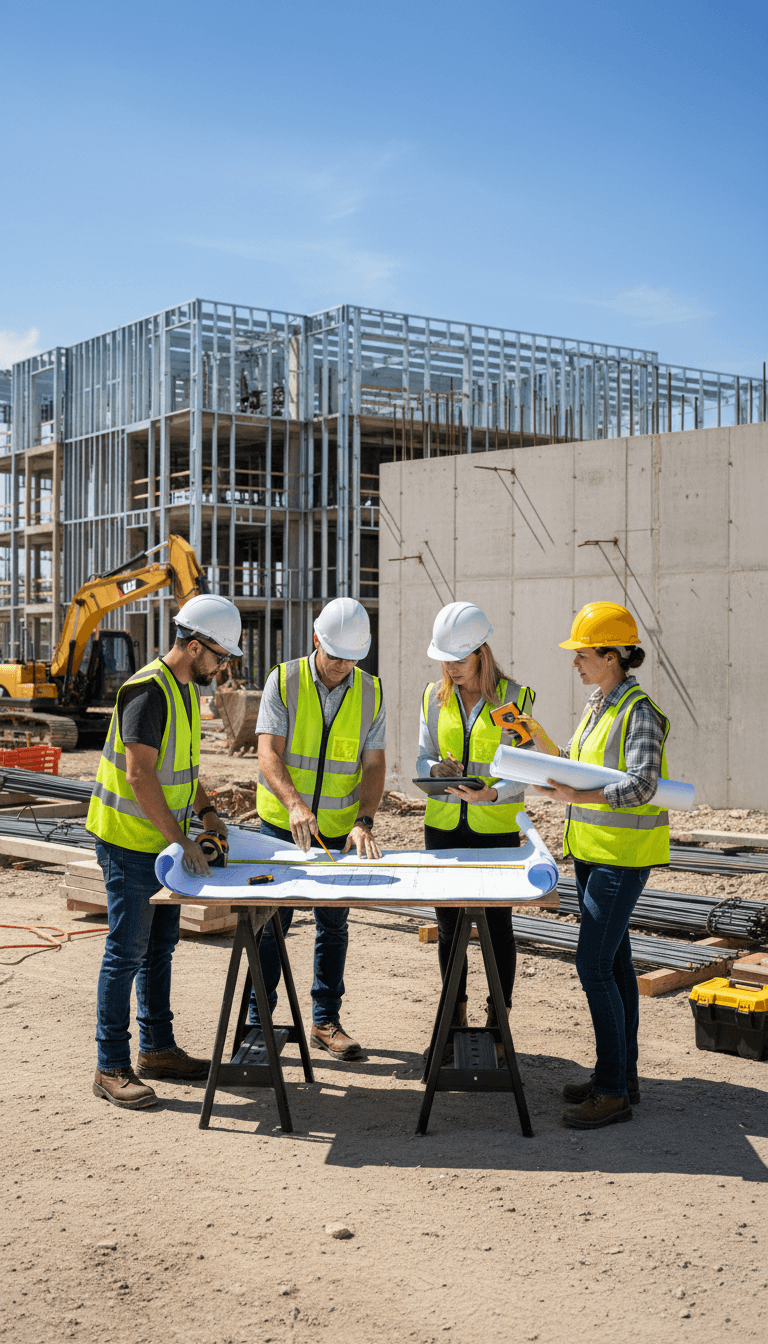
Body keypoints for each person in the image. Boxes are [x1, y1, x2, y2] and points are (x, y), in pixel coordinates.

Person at [518, 601, 670, 1130]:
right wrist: (537, 742)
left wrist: (580, 796)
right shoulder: (598, 703)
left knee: (593, 966)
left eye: (582, 653)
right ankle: (621, 1075)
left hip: (621, 858)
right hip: (593, 852)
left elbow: (642, 784)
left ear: (610, 656)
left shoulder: (637, 711)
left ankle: (611, 1092)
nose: (575, 662)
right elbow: (579, 769)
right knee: (617, 963)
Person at [86, 594, 242, 1110]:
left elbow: (185, 767)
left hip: (160, 846)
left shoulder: (181, 690)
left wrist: (208, 810)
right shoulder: (148, 691)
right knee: (126, 952)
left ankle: (157, 1050)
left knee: (159, 949)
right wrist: (180, 841)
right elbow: (139, 774)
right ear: (194, 647)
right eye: (219, 657)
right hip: (132, 843)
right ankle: (110, 1066)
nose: (222, 668)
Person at [254, 598, 386, 1061]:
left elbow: (373, 765)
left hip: (338, 830)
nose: (342, 666)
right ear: (317, 641)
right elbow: (268, 752)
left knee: (334, 926)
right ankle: (258, 1022)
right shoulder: (284, 680)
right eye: (335, 657)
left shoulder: (371, 691)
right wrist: (293, 803)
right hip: (281, 825)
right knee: (270, 924)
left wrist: (363, 821)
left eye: (352, 658)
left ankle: (325, 1021)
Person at [417, 601, 534, 1057]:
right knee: (449, 930)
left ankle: (498, 1022)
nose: (451, 668)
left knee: (497, 929)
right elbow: (422, 755)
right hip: (444, 827)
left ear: (481, 654)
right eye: (444, 659)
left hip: (495, 830)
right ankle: (454, 1016)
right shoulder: (434, 696)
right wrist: (437, 768)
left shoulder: (515, 699)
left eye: (459, 660)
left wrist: (492, 794)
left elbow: (527, 771)